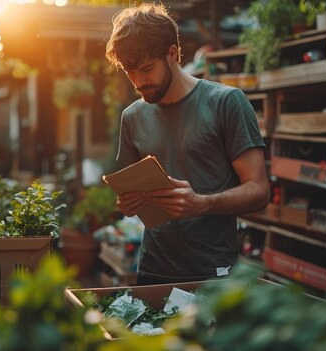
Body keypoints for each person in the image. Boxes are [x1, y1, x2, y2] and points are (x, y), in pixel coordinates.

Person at [105, 3, 269, 285]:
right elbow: (133, 194)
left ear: (172, 54)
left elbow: (260, 191)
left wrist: (201, 204)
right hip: (153, 270)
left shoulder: (226, 103)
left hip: (215, 272)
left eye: (146, 69)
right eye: (130, 72)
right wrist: (128, 203)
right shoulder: (132, 116)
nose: (139, 81)